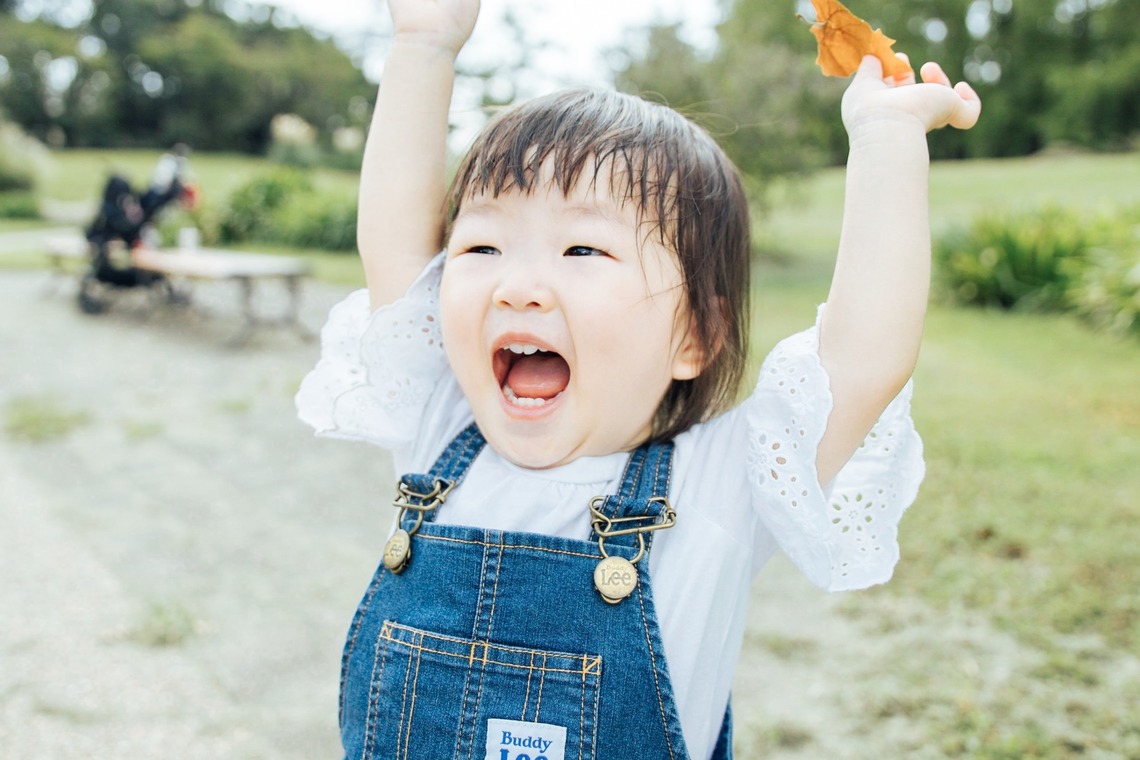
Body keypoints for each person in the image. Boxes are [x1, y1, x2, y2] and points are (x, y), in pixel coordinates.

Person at [295, 1, 980, 757]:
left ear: (697, 335)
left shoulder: (718, 487)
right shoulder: (436, 423)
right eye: (482, 245)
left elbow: (864, 358)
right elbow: (395, 244)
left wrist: (887, 138)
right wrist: (424, 42)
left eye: (583, 250)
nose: (516, 286)